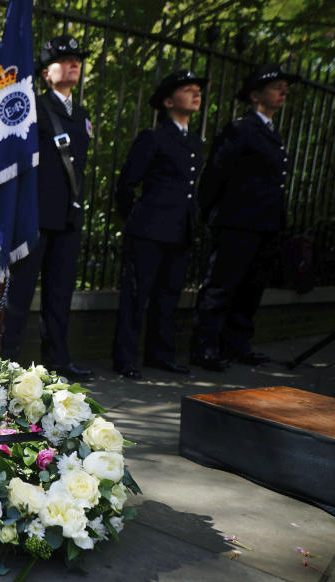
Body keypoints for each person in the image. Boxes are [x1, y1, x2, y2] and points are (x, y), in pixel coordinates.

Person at [190, 63, 299, 371]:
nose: (283, 91)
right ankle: (205, 347)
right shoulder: (241, 128)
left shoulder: (271, 132)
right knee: (222, 285)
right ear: (255, 95)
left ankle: (236, 344)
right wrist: (209, 213)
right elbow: (216, 173)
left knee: (252, 288)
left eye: (284, 87)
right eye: (276, 86)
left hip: (264, 224)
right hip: (237, 222)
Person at [0, 35, 92, 380]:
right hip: (35, 216)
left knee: (60, 293)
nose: (73, 64)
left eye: (77, 59)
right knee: (21, 295)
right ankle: (8, 360)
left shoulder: (81, 114)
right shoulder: (32, 108)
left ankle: (57, 359)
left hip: (67, 217)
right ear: (44, 74)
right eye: (64, 59)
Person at [111, 70, 206, 379]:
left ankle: (159, 354)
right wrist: (138, 221)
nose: (196, 94)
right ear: (168, 101)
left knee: (168, 295)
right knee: (137, 297)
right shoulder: (153, 137)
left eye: (198, 90)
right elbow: (126, 185)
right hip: (149, 230)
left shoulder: (194, 141)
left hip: (179, 231)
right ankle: (125, 358)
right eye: (188, 89)